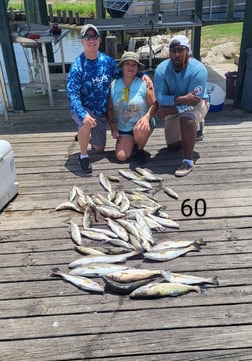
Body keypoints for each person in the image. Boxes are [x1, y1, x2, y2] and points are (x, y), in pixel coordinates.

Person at [67, 24, 153, 174]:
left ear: (99, 40)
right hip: (85, 109)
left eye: (94, 37)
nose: (91, 40)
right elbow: (72, 94)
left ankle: (86, 136)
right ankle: (83, 155)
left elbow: (123, 72)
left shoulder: (106, 61)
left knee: (99, 149)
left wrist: (143, 75)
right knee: (85, 124)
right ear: (82, 41)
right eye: (87, 37)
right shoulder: (77, 65)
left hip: (100, 112)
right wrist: (83, 115)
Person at [154, 34, 210, 177]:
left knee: (187, 119)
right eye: (173, 50)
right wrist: (182, 99)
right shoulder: (161, 69)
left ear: (188, 51)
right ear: (169, 52)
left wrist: (169, 110)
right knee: (172, 146)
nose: (177, 54)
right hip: (177, 104)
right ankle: (193, 128)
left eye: (181, 50)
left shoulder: (198, 70)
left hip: (199, 103)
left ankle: (188, 161)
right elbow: (160, 99)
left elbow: (194, 102)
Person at [107, 52, 157, 164]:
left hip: (141, 124)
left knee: (140, 129)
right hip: (124, 127)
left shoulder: (145, 83)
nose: (130, 67)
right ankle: (133, 142)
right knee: (121, 157)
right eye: (127, 64)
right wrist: (113, 127)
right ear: (122, 66)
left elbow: (155, 104)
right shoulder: (113, 84)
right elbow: (109, 108)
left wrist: (147, 117)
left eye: (134, 65)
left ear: (138, 68)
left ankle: (140, 149)